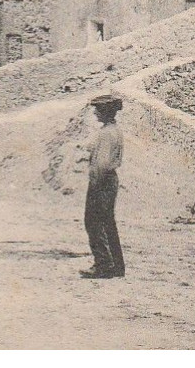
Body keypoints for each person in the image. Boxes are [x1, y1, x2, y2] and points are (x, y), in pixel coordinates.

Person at [80, 92, 126, 279]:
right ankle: (116, 266)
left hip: (103, 181)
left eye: (97, 110)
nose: (94, 113)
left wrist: (95, 183)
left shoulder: (107, 134)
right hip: (109, 180)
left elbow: (102, 164)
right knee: (107, 223)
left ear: (105, 112)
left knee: (94, 222)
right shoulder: (114, 130)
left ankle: (103, 265)